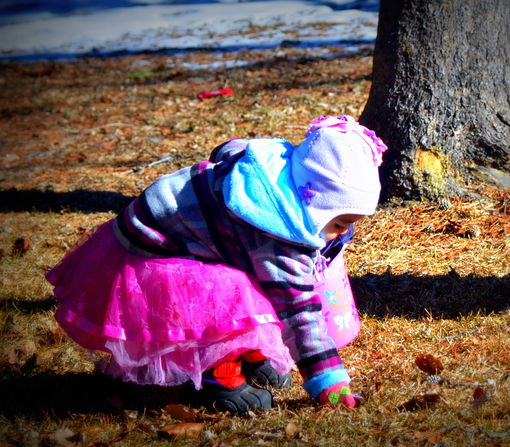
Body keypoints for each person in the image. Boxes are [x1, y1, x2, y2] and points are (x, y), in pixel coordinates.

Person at [46, 115, 387, 414]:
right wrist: (328, 379)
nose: (343, 233)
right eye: (340, 222)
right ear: (315, 206)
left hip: (183, 236)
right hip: (153, 258)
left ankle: (249, 351)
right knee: (229, 293)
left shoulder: (274, 172)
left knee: (253, 280)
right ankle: (220, 373)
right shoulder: (276, 238)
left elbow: (230, 148)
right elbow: (299, 312)